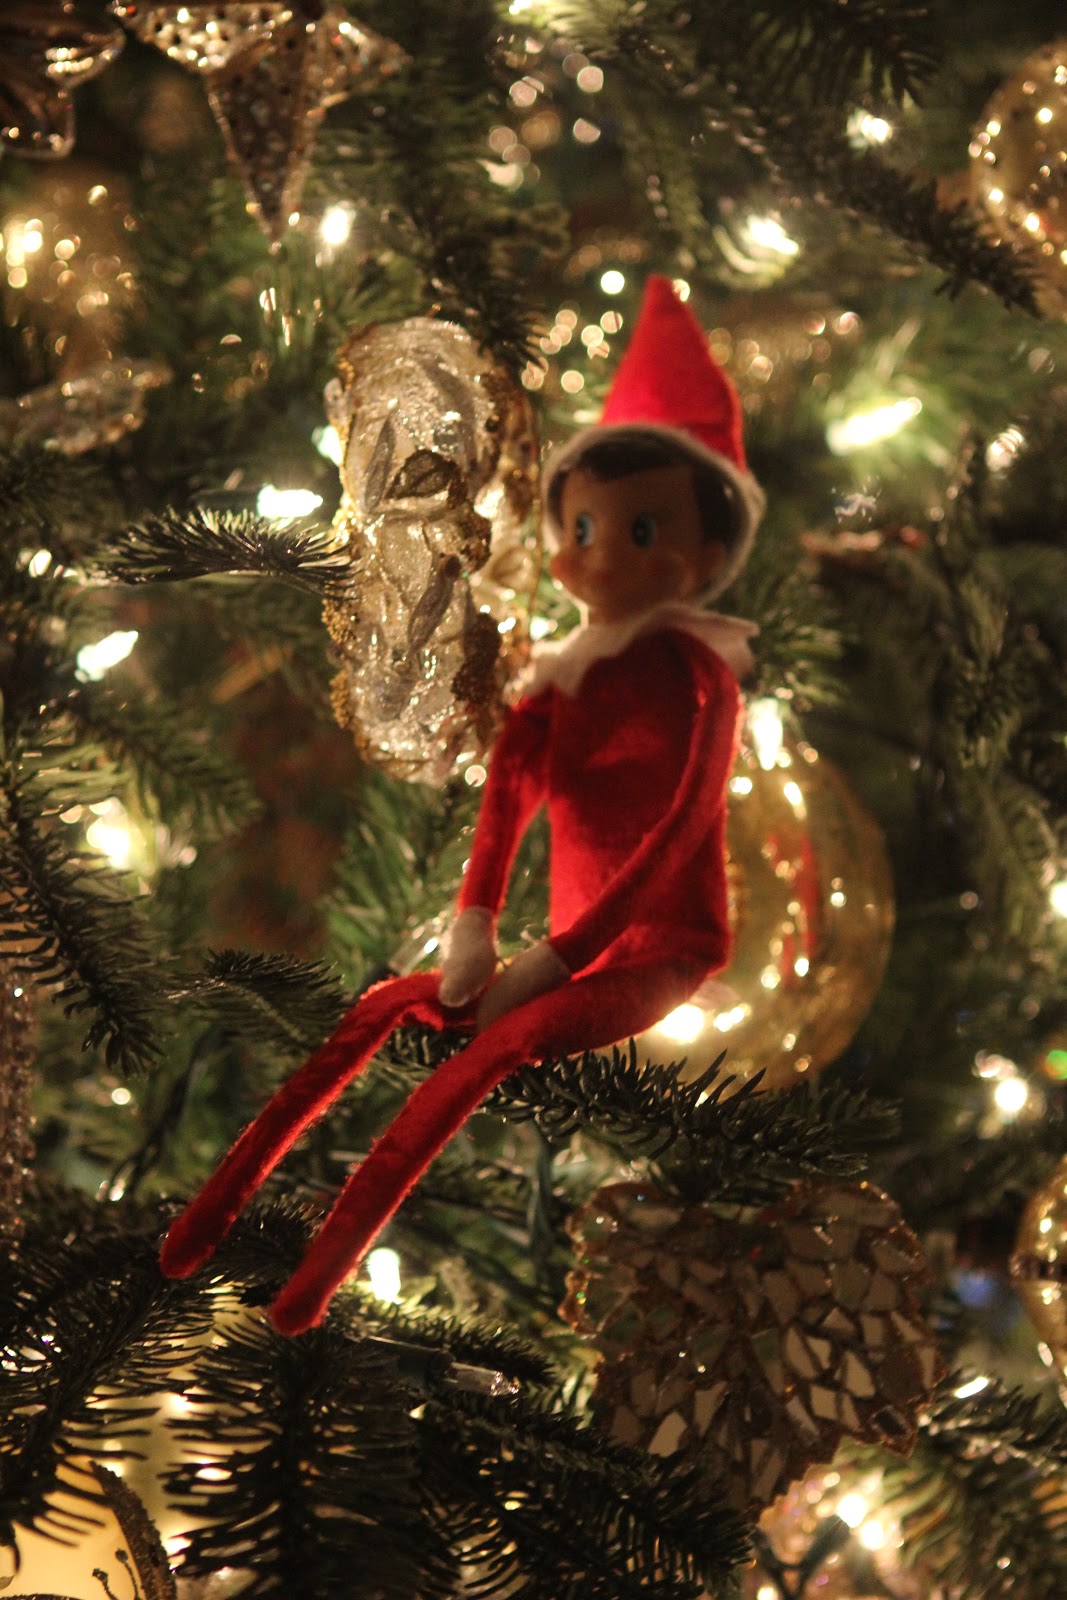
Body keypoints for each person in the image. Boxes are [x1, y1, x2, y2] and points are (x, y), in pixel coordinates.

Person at [160, 277, 765, 1333]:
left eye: (637, 530)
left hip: (657, 952)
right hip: (557, 950)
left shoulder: (699, 678)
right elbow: (507, 798)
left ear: (706, 557)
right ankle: (201, 1222)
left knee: (489, 1052)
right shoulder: (559, 681)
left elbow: (676, 836)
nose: (593, 553)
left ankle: (304, 1295)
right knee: (381, 1006)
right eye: (581, 525)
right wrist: (475, 924)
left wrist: (558, 960)